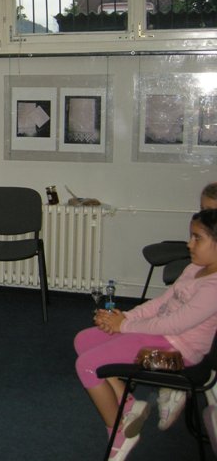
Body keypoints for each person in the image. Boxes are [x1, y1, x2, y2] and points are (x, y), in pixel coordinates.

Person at [74, 208, 217, 461]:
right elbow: (161, 303)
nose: (189, 243)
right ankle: (129, 405)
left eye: (197, 238)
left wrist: (123, 326)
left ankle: (119, 435)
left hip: (178, 357)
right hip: (162, 339)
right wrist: (125, 317)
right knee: (83, 340)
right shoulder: (195, 268)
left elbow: (175, 325)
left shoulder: (214, 287)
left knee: (86, 365)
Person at [155, 181, 217, 431]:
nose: (205, 216)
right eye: (203, 210)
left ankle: (177, 386)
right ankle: (174, 386)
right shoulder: (200, 265)